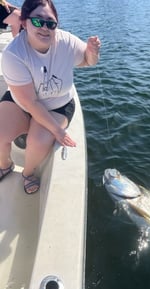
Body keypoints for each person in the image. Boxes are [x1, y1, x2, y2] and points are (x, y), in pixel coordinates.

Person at [0, 0, 101, 194]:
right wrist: (58, 131)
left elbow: (88, 62)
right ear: (23, 22)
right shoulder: (14, 54)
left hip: (58, 104)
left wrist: (92, 52)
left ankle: (28, 173)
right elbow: (30, 102)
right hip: (23, 102)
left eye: (51, 23)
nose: (45, 27)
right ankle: (4, 164)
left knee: (37, 142)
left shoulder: (67, 41)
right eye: (38, 21)